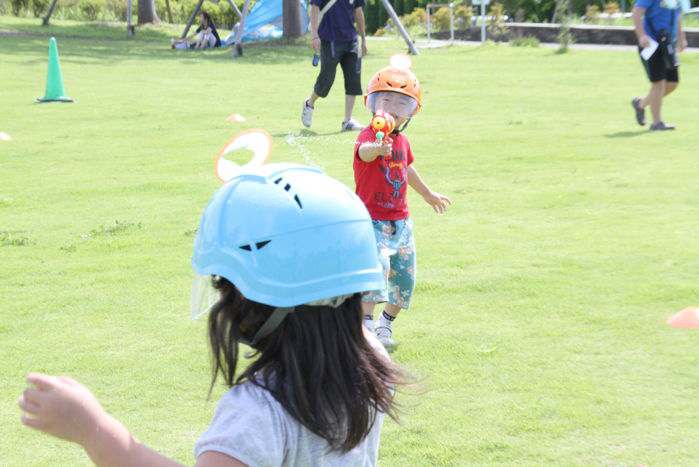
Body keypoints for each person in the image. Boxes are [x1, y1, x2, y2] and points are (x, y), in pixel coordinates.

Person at [18, 164, 404, 465]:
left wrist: (95, 431)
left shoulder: (260, 411)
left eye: (226, 283)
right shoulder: (369, 359)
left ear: (262, 298)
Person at [354, 65, 452, 352]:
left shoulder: (403, 141)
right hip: (372, 221)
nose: (392, 109)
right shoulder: (367, 137)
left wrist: (428, 194)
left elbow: (407, 169)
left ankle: (386, 323)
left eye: (401, 103)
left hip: (401, 222)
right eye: (385, 100)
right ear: (372, 105)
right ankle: (366, 325)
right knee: (377, 270)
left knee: (404, 277)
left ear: (411, 111)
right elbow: (363, 153)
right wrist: (376, 148)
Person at [301, 0, 368, 132]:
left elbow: (358, 12)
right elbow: (314, 8)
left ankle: (347, 121)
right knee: (327, 79)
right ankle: (309, 103)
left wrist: (364, 39)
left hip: (351, 40)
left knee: (353, 81)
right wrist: (314, 35)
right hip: (329, 39)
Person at [631, 0, 687, 131]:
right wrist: (641, 36)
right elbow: (637, 12)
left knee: (672, 83)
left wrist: (681, 38)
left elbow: (677, 16)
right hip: (651, 44)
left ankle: (640, 104)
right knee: (659, 84)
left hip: (668, 45)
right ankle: (657, 123)